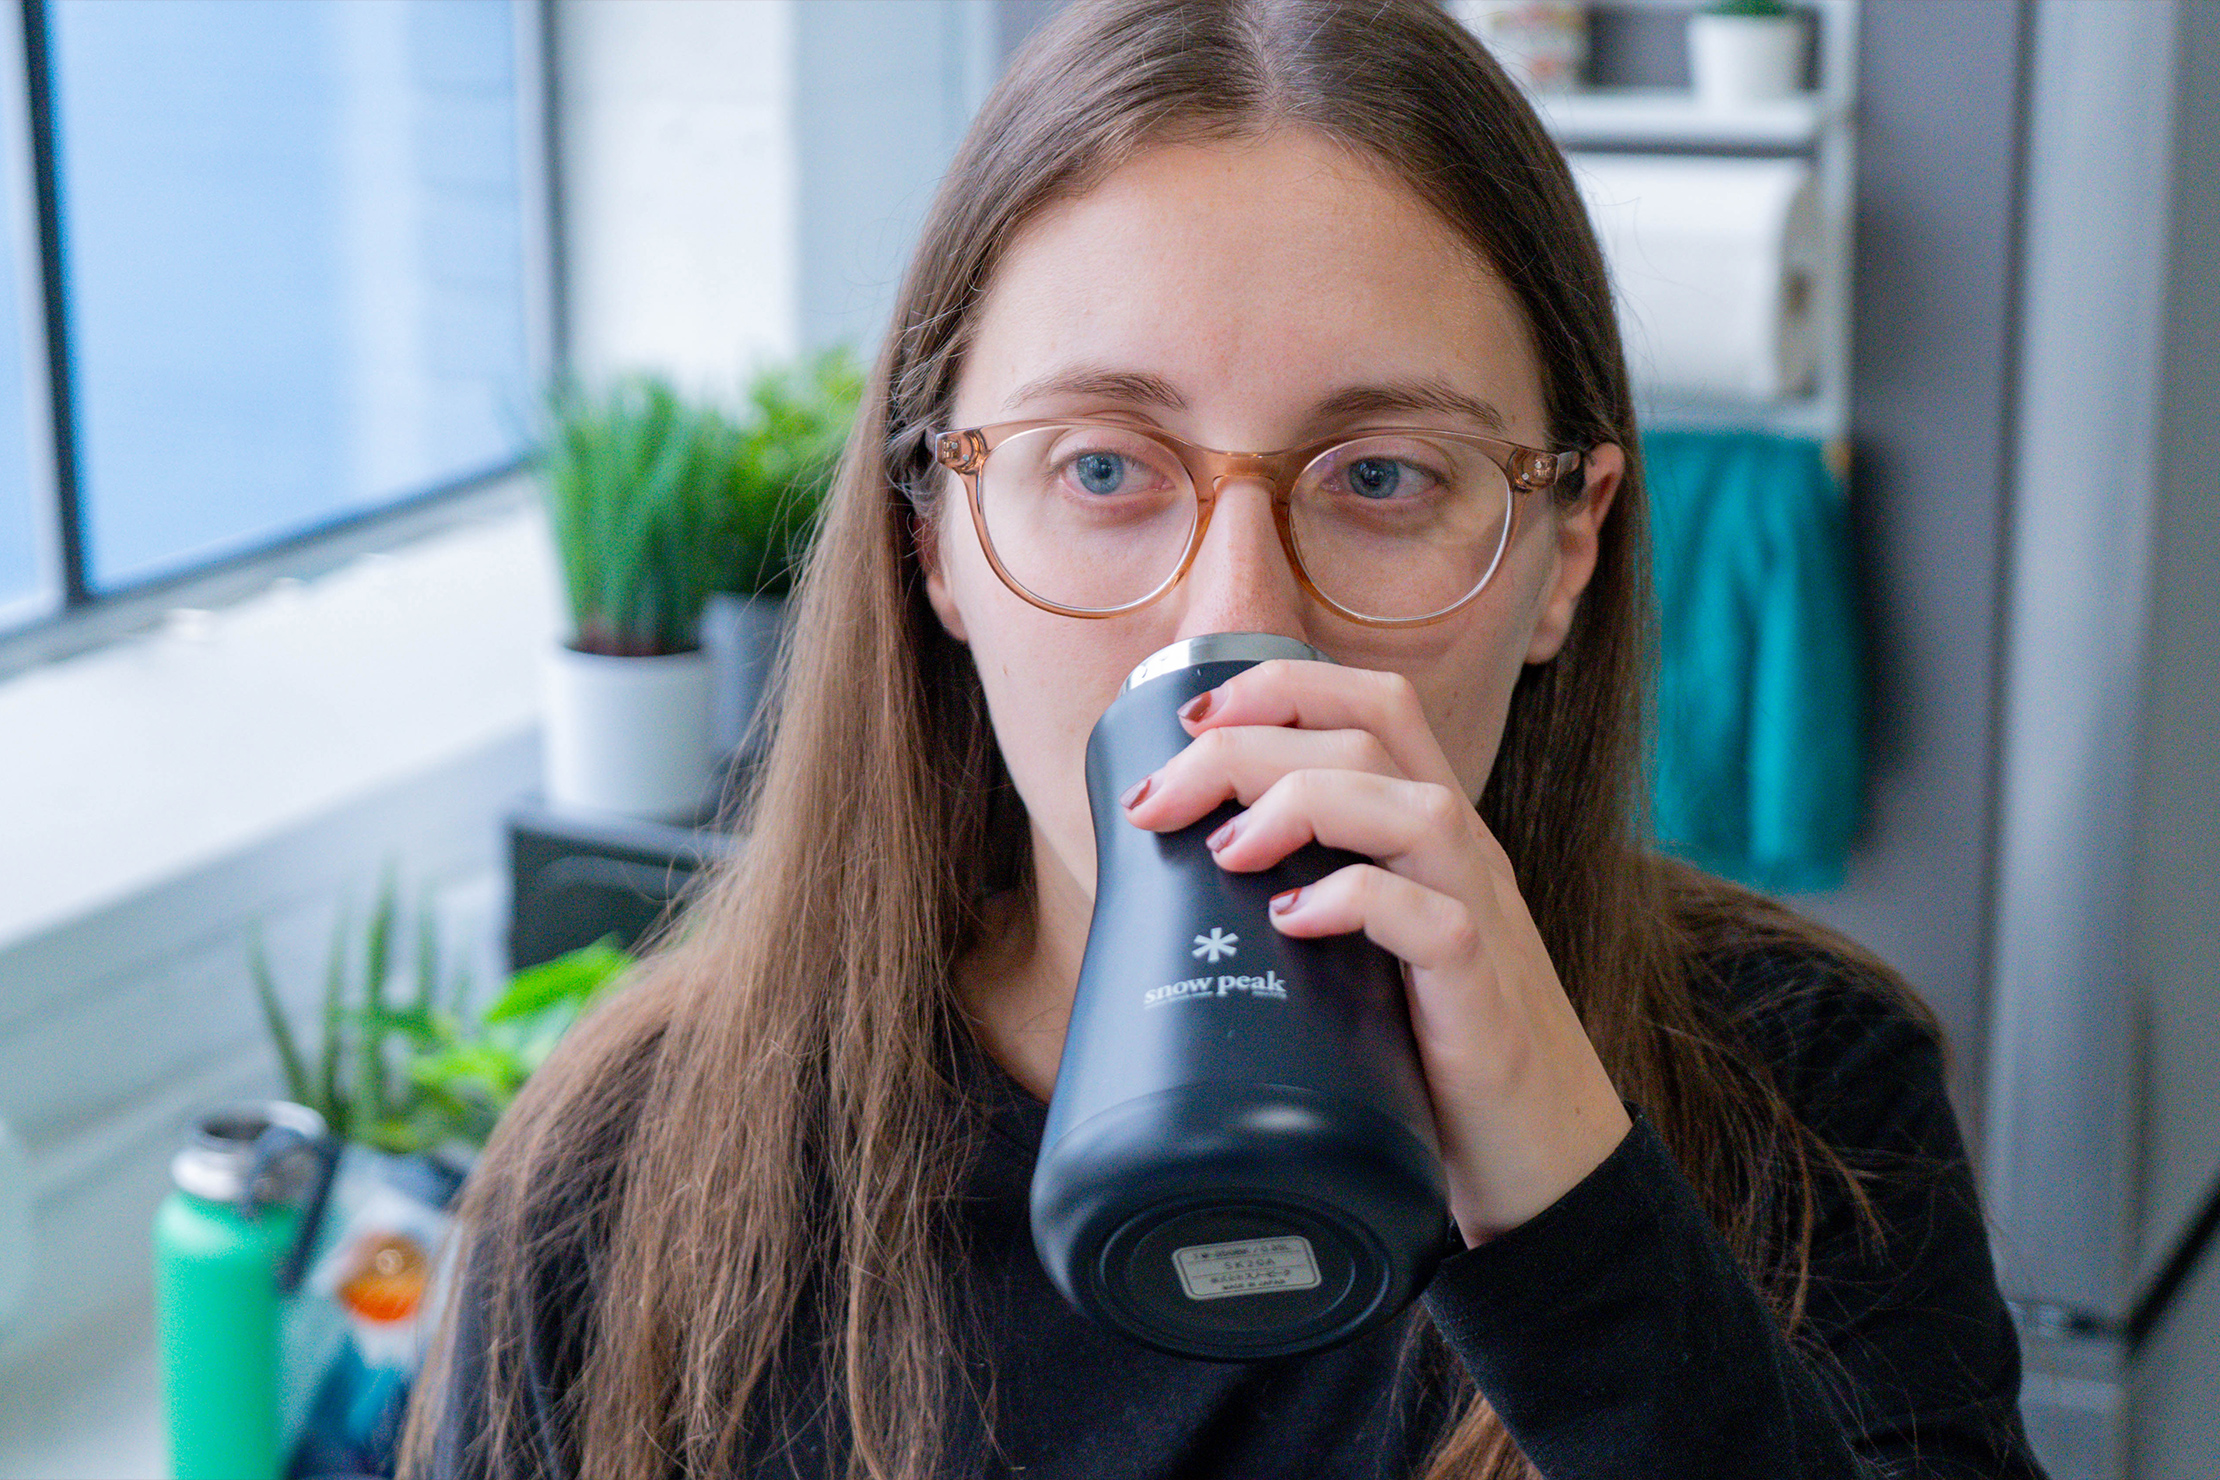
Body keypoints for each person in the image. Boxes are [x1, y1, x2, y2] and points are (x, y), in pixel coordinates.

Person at [402, 2, 2047, 1476]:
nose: (1230, 629)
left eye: (1384, 476)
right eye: (1106, 470)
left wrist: (1570, 1205)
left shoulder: (1808, 1091)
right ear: (934, 545)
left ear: (1564, 552)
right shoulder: (632, 1174)